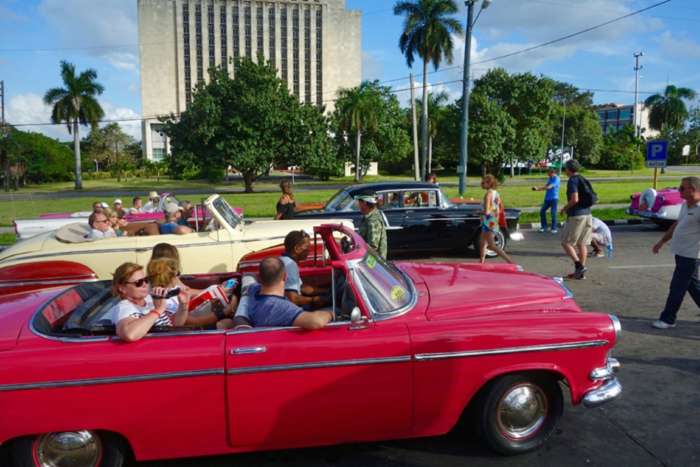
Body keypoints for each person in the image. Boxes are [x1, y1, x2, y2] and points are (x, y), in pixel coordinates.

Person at [651, 176, 700, 329]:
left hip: (691, 255)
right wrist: (662, 241)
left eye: (682, 188)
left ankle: (668, 319)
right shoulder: (686, 205)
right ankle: (668, 318)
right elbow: (677, 224)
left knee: (677, 287)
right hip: (681, 252)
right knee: (692, 285)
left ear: (692, 190)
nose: (679, 191)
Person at [246, 257, 333, 330]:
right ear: (285, 276)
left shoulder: (253, 290)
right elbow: (316, 321)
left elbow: (249, 277)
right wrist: (332, 313)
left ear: (260, 278)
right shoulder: (280, 307)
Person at [110, 261, 189, 342]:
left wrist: (183, 305)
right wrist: (158, 309)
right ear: (122, 288)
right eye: (138, 282)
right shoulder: (124, 307)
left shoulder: (149, 299)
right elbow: (129, 335)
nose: (145, 284)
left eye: (146, 280)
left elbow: (175, 325)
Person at [560, 159, 594, 280]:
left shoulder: (572, 180)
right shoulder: (583, 178)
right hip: (587, 214)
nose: (565, 170)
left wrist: (564, 208)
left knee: (566, 242)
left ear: (568, 169)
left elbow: (575, 199)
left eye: (565, 168)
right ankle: (580, 273)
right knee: (582, 243)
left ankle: (578, 265)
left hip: (576, 215)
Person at [281, 230, 330, 308]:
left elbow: (302, 288)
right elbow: (292, 298)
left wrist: (328, 291)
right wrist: (313, 300)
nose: (309, 250)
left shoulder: (286, 261)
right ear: (297, 248)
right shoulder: (289, 265)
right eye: (307, 247)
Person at [478, 175, 514, 264]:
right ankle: (481, 262)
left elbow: (487, 211)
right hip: (492, 219)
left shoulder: (488, 194)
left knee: (491, 245)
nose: (481, 184)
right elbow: (497, 208)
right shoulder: (495, 193)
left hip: (489, 220)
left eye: (483, 182)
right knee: (483, 243)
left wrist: (479, 212)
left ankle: (510, 262)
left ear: (489, 183)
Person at [532, 168, 560, 233]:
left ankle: (554, 228)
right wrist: (537, 189)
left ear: (552, 172)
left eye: (548, 173)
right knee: (542, 211)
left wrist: (542, 188)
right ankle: (544, 227)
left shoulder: (557, 179)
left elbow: (549, 187)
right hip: (547, 199)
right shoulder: (550, 178)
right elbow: (546, 186)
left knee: (553, 213)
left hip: (554, 199)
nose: (547, 174)